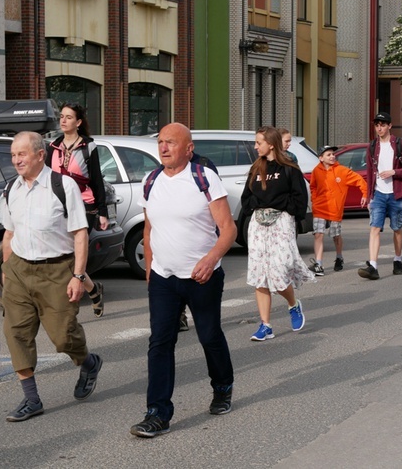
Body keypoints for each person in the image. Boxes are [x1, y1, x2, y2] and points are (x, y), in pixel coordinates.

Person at [129, 123, 236, 438]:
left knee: (209, 336)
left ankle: (222, 387)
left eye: (171, 143)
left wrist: (211, 258)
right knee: (160, 343)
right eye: (160, 142)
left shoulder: (203, 178)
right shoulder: (151, 181)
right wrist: (150, 271)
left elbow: (228, 229)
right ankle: (157, 413)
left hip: (202, 277)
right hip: (164, 278)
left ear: (188, 149)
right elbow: (149, 231)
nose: (163, 148)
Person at [0, 131, 103, 422]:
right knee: (15, 333)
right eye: (14, 155)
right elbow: (8, 234)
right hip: (19, 270)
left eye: (22, 154)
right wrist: (7, 269)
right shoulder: (10, 189)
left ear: (40, 155)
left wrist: (78, 276)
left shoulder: (62, 185)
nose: (16, 160)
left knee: (64, 337)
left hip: (57, 270)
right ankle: (31, 400)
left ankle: (89, 362)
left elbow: (80, 233)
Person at [242, 126, 314, 341]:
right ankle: (265, 325)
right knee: (259, 275)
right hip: (258, 225)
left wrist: (278, 205)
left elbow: (299, 200)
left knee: (280, 270)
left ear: (271, 144)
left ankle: (293, 305)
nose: (255, 147)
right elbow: (247, 199)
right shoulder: (255, 169)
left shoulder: (289, 169)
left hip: (281, 223)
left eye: (259, 143)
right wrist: (258, 205)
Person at [47, 103, 106, 317]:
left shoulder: (89, 147)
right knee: (65, 256)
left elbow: (97, 180)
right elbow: (46, 178)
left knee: (72, 256)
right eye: (62, 116)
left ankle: (69, 307)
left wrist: (103, 212)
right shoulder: (52, 146)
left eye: (69, 117)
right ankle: (93, 289)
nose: (63, 120)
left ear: (78, 122)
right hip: (58, 207)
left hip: (85, 206)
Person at [358, 112, 402, 280]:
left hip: (395, 194)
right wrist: (369, 196)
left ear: (390, 126)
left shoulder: (399, 144)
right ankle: (373, 266)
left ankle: (397, 260)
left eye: (383, 124)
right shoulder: (373, 146)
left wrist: (393, 172)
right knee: (374, 228)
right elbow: (369, 172)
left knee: (397, 228)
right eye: (377, 125)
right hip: (379, 194)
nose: (379, 128)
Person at [176, 150, 220, 332]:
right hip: (178, 229)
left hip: (202, 232)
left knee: (199, 278)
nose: (165, 148)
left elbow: (217, 203)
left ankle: (204, 318)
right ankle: (179, 315)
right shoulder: (165, 169)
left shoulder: (204, 165)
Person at [308, 145, 367, 275]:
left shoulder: (342, 171)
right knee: (318, 235)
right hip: (320, 208)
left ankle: (339, 257)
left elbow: (359, 180)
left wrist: (364, 194)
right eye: (328, 154)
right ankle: (319, 265)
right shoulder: (316, 171)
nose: (332, 156)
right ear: (321, 158)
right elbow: (313, 187)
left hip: (335, 208)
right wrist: (314, 200)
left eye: (333, 154)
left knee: (335, 235)